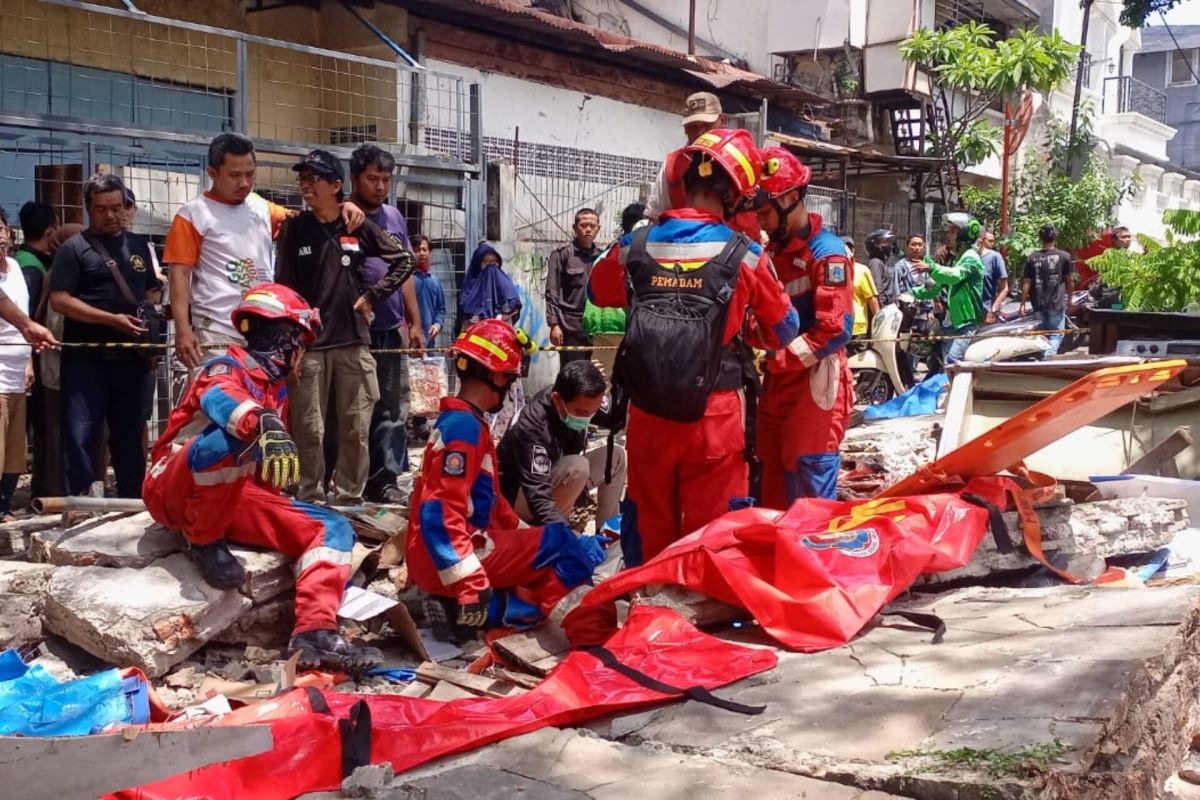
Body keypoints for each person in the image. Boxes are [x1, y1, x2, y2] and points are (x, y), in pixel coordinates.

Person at [589, 129, 799, 565]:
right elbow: (783, 329)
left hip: (648, 416)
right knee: (714, 535)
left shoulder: (636, 245)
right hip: (715, 419)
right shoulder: (746, 254)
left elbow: (596, 290)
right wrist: (741, 326)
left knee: (651, 528)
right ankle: (702, 618)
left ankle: (649, 613)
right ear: (736, 196)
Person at [143, 284, 380, 671]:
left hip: (231, 494)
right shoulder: (223, 368)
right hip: (173, 489)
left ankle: (315, 634)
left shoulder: (275, 389)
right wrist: (261, 420)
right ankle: (203, 540)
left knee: (332, 528)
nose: (300, 352)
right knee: (231, 439)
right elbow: (222, 401)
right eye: (299, 341)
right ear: (286, 338)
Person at [405, 319, 605, 641]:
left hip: (437, 557)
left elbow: (492, 502)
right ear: (497, 376)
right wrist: (469, 580)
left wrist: (528, 535)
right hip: (454, 556)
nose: (513, 386)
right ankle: (594, 632)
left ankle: (467, 608)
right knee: (563, 548)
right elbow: (439, 512)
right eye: (511, 378)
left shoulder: (463, 422)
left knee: (545, 547)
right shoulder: (464, 430)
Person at [275, 149, 414, 505]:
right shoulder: (294, 229)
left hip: (354, 342)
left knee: (356, 427)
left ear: (336, 185)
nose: (306, 186)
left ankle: (351, 498)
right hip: (310, 347)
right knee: (309, 428)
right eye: (302, 179)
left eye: (314, 179)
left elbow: (403, 261)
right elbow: (284, 290)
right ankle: (310, 495)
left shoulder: (357, 225)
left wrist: (371, 297)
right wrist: (289, 345)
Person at [165, 133, 364, 371]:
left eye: (250, 174)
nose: (244, 183)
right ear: (213, 173)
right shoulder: (193, 214)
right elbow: (180, 274)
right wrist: (183, 330)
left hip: (266, 333)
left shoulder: (260, 207)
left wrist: (343, 204)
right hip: (218, 335)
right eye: (235, 175)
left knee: (263, 407)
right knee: (218, 404)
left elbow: (310, 220)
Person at [49, 173, 161, 497]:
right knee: (81, 436)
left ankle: (132, 504)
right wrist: (111, 320)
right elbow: (60, 299)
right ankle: (81, 504)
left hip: (130, 360)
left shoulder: (138, 245)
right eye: (102, 209)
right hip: (86, 362)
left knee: (129, 437)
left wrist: (146, 322)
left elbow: (151, 291)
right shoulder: (73, 249)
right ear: (88, 209)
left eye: (117, 207)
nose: (111, 215)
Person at [752, 146, 854, 504]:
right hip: (777, 380)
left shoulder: (827, 253)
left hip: (814, 380)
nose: (760, 220)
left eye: (764, 211)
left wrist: (777, 360)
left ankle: (810, 558)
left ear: (791, 198)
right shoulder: (773, 255)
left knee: (809, 481)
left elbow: (836, 327)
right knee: (771, 477)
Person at [348, 144, 424, 504]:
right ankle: (350, 479)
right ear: (354, 179)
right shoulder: (341, 217)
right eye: (372, 179)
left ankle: (386, 480)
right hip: (352, 332)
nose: (380, 187)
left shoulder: (394, 218)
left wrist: (415, 323)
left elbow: (406, 271)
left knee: (392, 409)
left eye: (386, 180)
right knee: (354, 409)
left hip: (391, 329)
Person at [497, 359, 625, 529]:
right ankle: (555, 533)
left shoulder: (583, 400)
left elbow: (617, 418)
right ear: (557, 399)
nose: (587, 418)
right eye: (581, 412)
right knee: (577, 467)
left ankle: (607, 532)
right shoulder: (532, 425)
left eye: (592, 413)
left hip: (550, 480)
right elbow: (537, 495)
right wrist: (566, 538)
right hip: (516, 496)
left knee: (616, 457)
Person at [645, 92, 760, 240]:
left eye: (706, 125)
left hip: (744, 255)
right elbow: (655, 219)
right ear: (685, 128)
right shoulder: (672, 165)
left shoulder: (746, 159)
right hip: (689, 256)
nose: (700, 132)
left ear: (723, 120)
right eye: (693, 126)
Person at [914, 213, 985, 367]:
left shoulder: (970, 257)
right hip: (953, 321)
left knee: (952, 363)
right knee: (945, 365)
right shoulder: (958, 258)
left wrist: (931, 267)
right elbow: (940, 284)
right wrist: (912, 293)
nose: (948, 234)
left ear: (964, 235)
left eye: (953, 231)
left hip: (967, 323)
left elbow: (955, 275)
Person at [584, 203, 642, 387]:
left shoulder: (608, 251)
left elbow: (590, 289)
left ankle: (596, 412)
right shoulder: (637, 250)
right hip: (619, 322)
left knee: (601, 378)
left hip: (598, 321)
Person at [0, 242, 31, 518]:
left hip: (18, 370)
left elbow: (25, 314)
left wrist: (29, 360)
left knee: (14, 448)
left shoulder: (16, 267)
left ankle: (4, 505)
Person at [546, 208, 600, 363]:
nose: (588, 229)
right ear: (575, 227)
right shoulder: (562, 254)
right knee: (571, 373)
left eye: (592, 225)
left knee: (593, 377)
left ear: (598, 228)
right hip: (569, 327)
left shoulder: (602, 256)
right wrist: (554, 325)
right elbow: (552, 291)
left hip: (595, 328)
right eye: (583, 225)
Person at [409, 234, 446, 444]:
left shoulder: (435, 282)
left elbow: (441, 308)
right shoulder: (407, 281)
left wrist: (437, 324)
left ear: (430, 252)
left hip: (429, 342)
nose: (421, 253)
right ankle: (410, 422)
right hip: (409, 342)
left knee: (424, 382)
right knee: (409, 382)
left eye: (424, 249)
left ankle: (420, 423)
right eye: (417, 249)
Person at [1020, 223, 1075, 357]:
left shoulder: (1032, 257)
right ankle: (1047, 357)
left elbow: (1027, 282)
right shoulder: (1065, 256)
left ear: (1040, 238)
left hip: (1038, 303)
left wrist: (1022, 304)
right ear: (1055, 237)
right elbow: (1070, 280)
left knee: (1042, 334)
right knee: (1056, 335)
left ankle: (1043, 356)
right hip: (1056, 302)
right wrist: (1070, 299)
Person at [459, 244, 521, 330]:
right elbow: (465, 308)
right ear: (477, 264)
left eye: (494, 262)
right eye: (486, 262)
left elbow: (514, 304)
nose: (491, 266)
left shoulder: (504, 282)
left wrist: (502, 315)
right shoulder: (470, 286)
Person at [865, 229, 901, 307]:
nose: (889, 245)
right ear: (875, 245)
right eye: (885, 242)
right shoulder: (875, 263)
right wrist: (882, 311)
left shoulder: (882, 263)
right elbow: (877, 291)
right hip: (884, 309)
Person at [979, 230, 1009, 323]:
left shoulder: (995, 257)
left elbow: (1005, 288)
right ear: (982, 240)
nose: (992, 244)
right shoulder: (968, 257)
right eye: (990, 241)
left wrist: (993, 309)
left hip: (986, 312)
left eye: (993, 241)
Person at [852, 259, 881, 337]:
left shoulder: (861, 270)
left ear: (853, 250)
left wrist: (879, 324)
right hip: (834, 327)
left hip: (857, 327)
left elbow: (871, 298)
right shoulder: (829, 268)